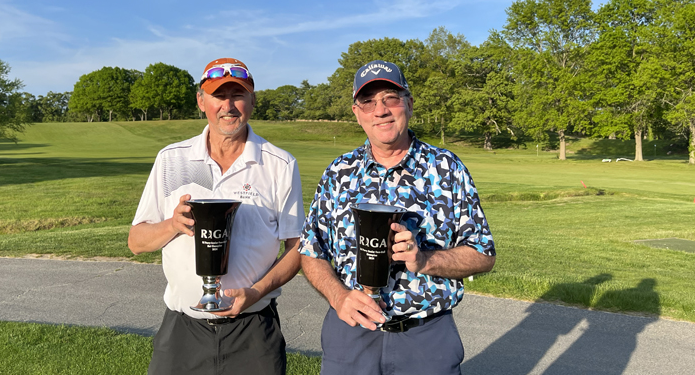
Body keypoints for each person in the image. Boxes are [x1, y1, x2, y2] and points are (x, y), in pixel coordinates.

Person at [298, 60, 496, 375]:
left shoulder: (445, 168)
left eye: (391, 97)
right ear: (356, 112)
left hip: (426, 338)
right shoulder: (338, 173)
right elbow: (311, 251)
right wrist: (338, 297)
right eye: (368, 101)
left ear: (409, 104)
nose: (381, 110)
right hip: (350, 334)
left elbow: (483, 254)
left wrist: (426, 260)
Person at [128, 58, 304, 375]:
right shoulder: (171, 159)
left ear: (253, 100)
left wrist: (256, 292)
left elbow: (297, 247)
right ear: (201, 101)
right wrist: (172, 225)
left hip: (252, 330)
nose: (228, 106)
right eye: (218, 96)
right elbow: (136, 242)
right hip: (182, 330)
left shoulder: (280, 164)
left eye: (238, 95)